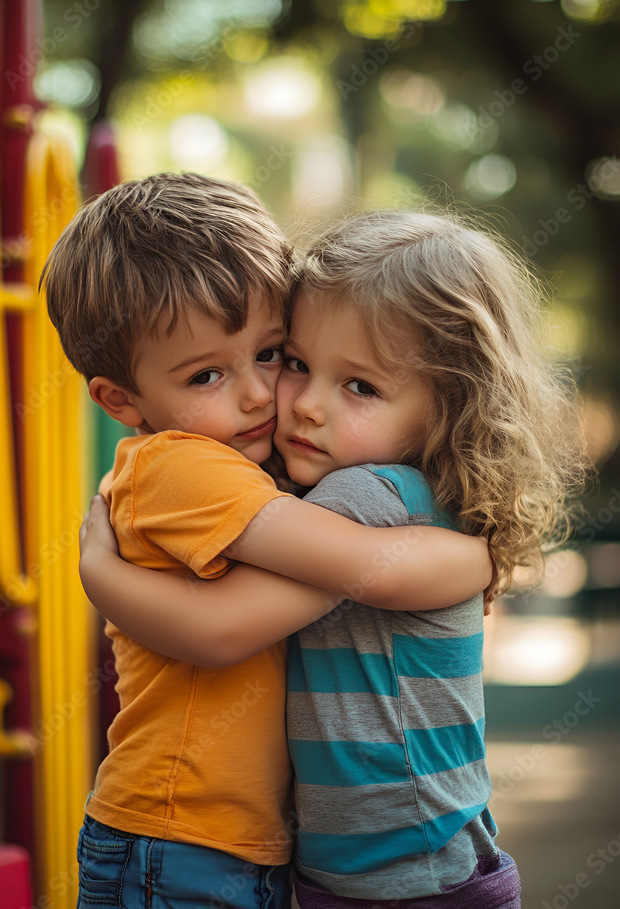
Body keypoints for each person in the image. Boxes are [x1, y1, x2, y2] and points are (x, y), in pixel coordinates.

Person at [79, 208, 587, 909]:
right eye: (297, 363)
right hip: (401, 864)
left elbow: (223, 625)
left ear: (446, 407)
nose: (298, 404)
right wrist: (483, 558)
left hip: (401, 881)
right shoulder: (355, 492)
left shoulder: (365, 495)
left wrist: (99, 574)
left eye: (359, 386)